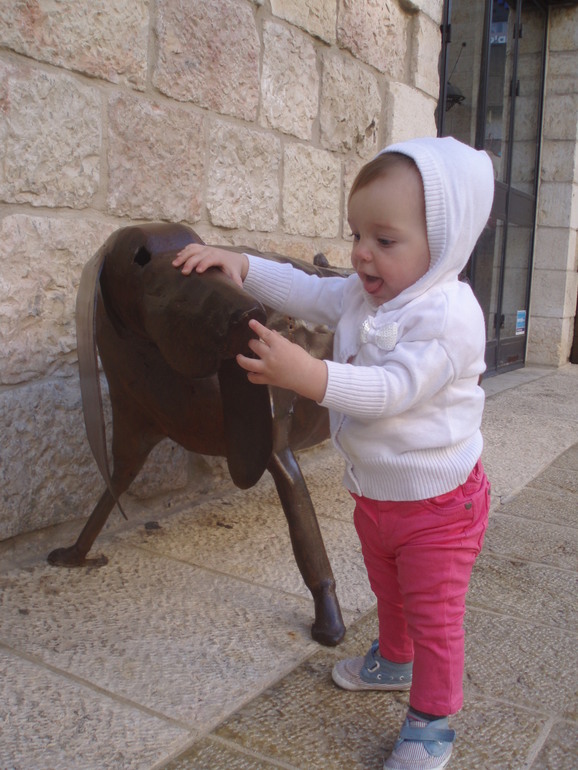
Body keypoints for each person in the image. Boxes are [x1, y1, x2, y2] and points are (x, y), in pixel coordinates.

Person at [173, 136, 494, 770]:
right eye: (356, 234)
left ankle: (432, 722)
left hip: (441, 504)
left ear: (444, 242)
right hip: (375, 492)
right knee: (388, 589)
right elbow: (304, 290)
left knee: (435, 615)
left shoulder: (450, 316)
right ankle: (393, 660)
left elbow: (390, 391)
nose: (360, 254)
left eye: (385, 239)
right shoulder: (361, 293)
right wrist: (241, 263)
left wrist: (307, 373)